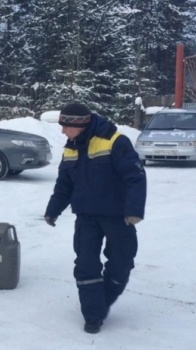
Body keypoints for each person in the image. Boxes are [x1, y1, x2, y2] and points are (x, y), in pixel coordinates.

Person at [44, 102, 147, 334]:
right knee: (85, 265)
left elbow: (135, 176)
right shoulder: (70, 147)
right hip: (86, 217)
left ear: (78, 125)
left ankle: (102, 301)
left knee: (122, 263)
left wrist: (133, 210)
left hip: (118, 216)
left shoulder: (114, 141)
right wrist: (53, 210)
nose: (62, 132)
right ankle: (93, 315)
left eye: (65, 127)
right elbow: (64, 184)